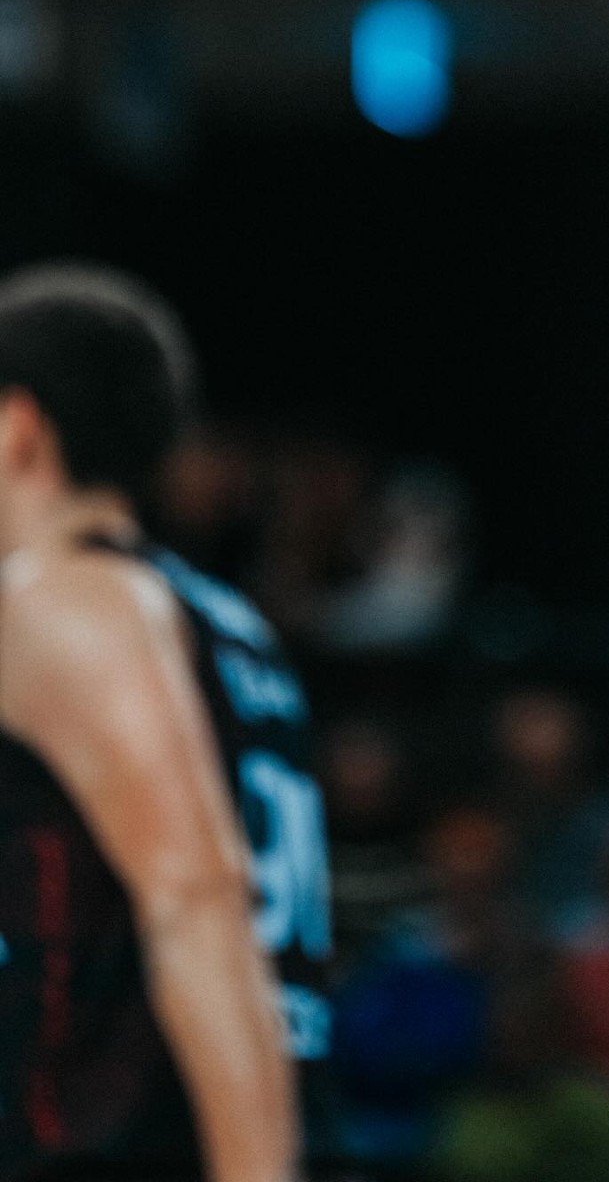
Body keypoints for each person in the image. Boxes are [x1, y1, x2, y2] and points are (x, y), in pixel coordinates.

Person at [0, 264, 331, 1181]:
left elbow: (196, 899)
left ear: (19, 426)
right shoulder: (226, 621)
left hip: (129, 1142)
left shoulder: (67, 601)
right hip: (242, 1111)